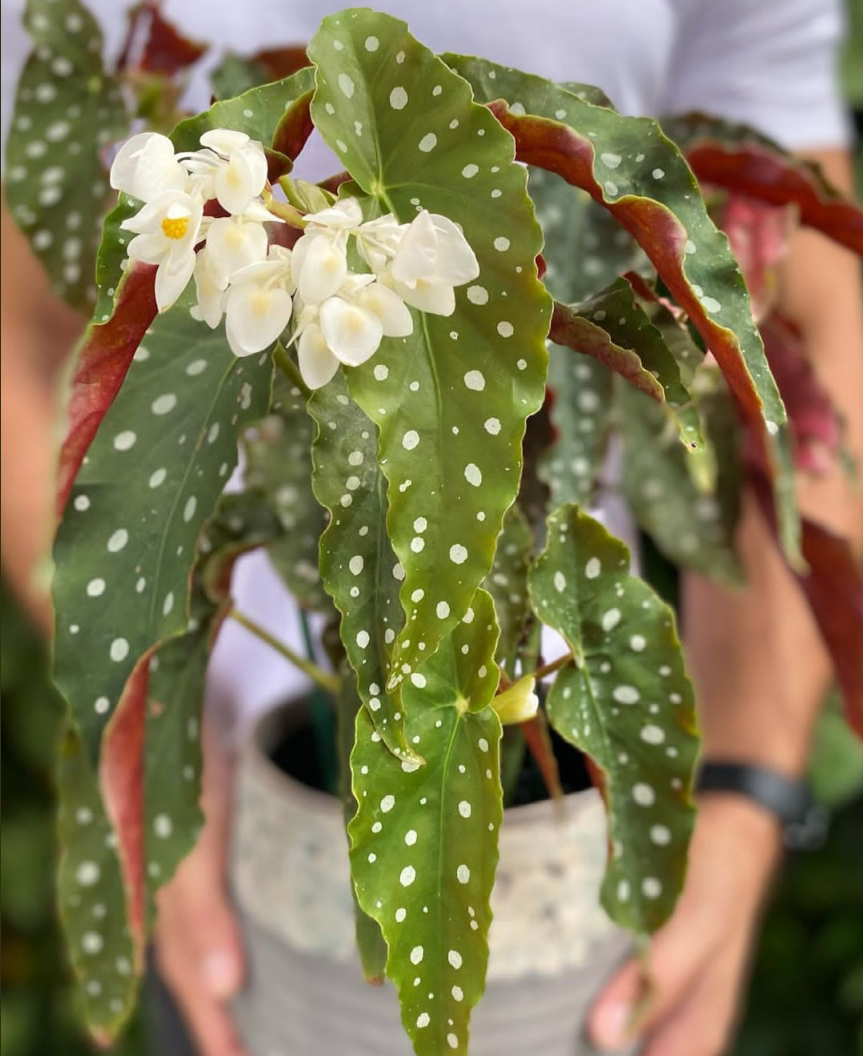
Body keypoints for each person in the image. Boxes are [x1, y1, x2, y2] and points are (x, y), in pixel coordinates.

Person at [2, 1, 861, 1054]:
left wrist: (742, 792)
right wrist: (145, 746)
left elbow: (799, 304)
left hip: (568, 792)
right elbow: (25, 329)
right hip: (233, 818)